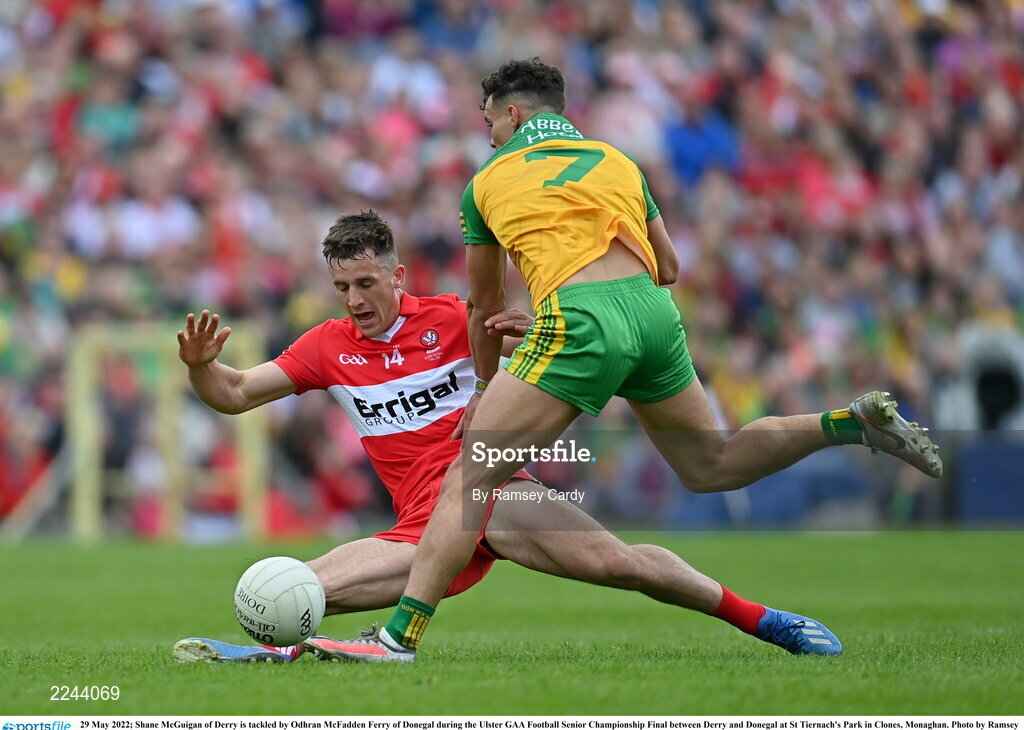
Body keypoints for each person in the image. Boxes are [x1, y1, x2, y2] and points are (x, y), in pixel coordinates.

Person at [320, 58, 941, 663]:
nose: (489, 136)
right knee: (712, 464)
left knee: (469, 474)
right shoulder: (617, 160)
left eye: (489, 123)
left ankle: (396, 640)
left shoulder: (486, 182)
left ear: (511, 115)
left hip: (580, 321)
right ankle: (847, 424)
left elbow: (484, 305)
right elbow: (668, 268)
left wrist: (485, 385)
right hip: (653, 315)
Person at [172, 210, 842, 664]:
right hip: (420, 529)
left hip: (494, 491)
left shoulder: (457, 319)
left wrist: (535, 338)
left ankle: (765, 620)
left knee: (623, 566)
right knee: (287, 592)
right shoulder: (326, 347)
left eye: (366, 282)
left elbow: (536, 367)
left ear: (397, 276)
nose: (353, 298)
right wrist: (203, 368)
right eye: (342, 286)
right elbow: (233, 394)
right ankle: (282, 651)